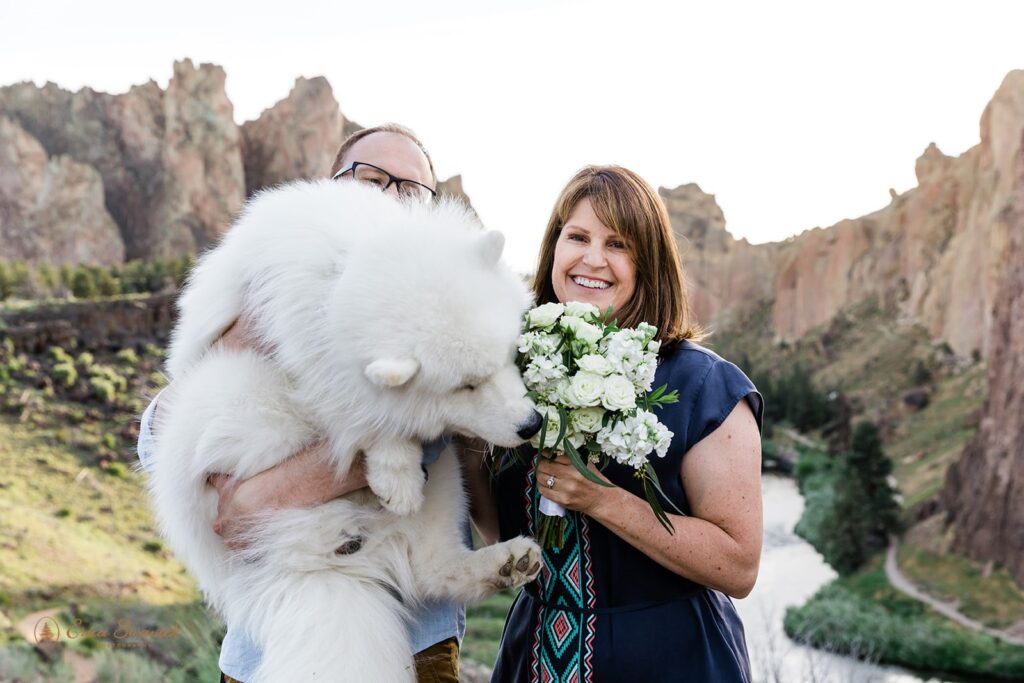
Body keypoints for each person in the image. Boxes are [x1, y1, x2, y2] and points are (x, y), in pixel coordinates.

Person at [137, 123, 489, 683]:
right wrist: (239, 339)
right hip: (262, 649)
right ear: (330, 188)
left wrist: (253, 499)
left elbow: (423, 443)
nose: (388, 195)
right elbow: (163, 440)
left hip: (411, 639)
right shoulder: (268, 277)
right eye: (371, 177)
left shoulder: (439, 317)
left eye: (411, 189)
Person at [486, 165, 764, 682]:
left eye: (618, 243)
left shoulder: (704, 387)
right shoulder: (514, 368)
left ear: (648, 263)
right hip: (534, 655)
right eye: (578, 237)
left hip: (671, 660)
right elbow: (493, 531)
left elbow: (738, 566)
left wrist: (601, 498)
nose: (592, 259)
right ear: (554, 248)